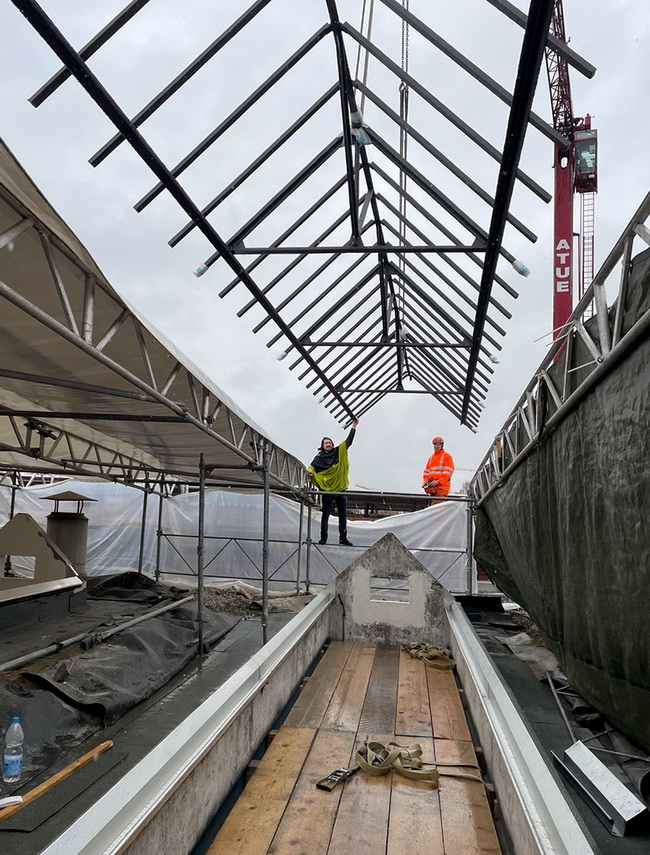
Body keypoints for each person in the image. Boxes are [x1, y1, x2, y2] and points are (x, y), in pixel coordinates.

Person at [308, 419, 359, 545]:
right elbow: (311, 468)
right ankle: (323, 537)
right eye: (326, 443)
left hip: (340, 489)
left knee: (343, 516)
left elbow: (348, 442)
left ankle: (343, 538)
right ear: (322, 445)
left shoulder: (338, 451)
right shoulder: (319, 458)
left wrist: (353, 427)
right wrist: (309, 471)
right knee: (325, 515)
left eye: (330, 442)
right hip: (327, 491)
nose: (328, 444)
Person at [422, 436, 455, 504]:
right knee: (434, 508)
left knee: (438, 508)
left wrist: (439, 482)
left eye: (438, 444)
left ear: (442, 445)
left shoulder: (446, 456)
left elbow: (449, 472)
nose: (436, 446)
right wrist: (425, 481)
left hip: (442, 487)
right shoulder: (431, 457)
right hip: (432, 487)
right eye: (435, 444)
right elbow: (426, 471)